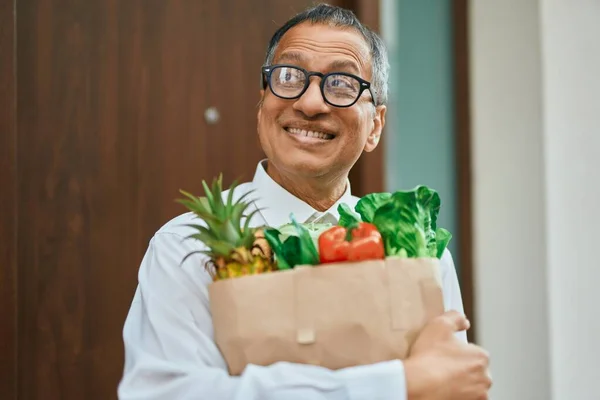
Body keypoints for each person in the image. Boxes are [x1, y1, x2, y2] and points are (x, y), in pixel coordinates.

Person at [118, 4, 492, 399]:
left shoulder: (419, 250)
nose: (311, 104)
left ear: (375, 126)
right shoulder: (190, 246)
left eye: (342, 84)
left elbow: (451, 385)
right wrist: (397, 385)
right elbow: (164, 393)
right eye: (290, 76)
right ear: (263, 102)